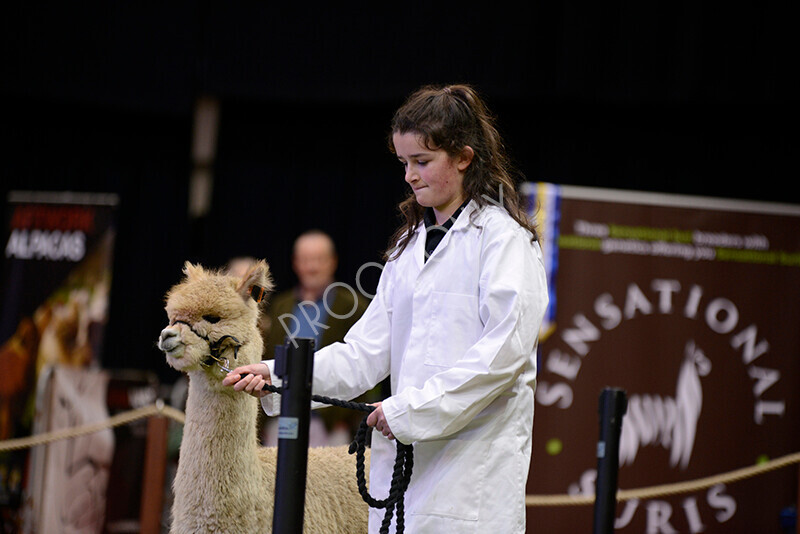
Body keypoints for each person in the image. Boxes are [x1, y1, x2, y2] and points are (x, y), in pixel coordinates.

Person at [223, 84, 548, 533]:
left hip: (472, 476)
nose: (410, 176)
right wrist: (282, 377)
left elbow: (503, 355)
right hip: (405, 470)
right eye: (404, 163)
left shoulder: (504, 240)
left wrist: (411, 410)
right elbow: (364, 352)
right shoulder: (408, 247)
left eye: (422, 161)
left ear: (464, 158)